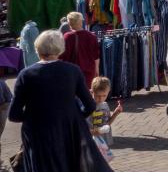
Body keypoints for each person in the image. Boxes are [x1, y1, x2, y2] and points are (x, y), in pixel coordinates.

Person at [8, 30, 113, 172]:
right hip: (67, 133)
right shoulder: (72, 71)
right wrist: (72, 118)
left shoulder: (26, 75)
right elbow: (89, 105)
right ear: (60, 49)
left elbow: (13, 114)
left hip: (38, 135)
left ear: (37, 49)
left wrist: (33, 118)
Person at [62, 11, 100, 89]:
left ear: (69, 23)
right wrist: (96, 70)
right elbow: (96, 56)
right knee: (87, 95)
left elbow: (63, 56)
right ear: (81, 22)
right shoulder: (91, 36)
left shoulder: (66, 37)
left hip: (72, 72)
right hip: (89, 71)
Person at [89, 76, 122, 148]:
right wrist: (94, 132)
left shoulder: (105, 105)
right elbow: (84, 128)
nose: (101, 99)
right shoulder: (88, 107)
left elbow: (107, 123)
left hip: (104, 141)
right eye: (97, 96)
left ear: (108, 92)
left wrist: (116, 113)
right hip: (92, 142)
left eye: (104, 95)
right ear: (92, 92)